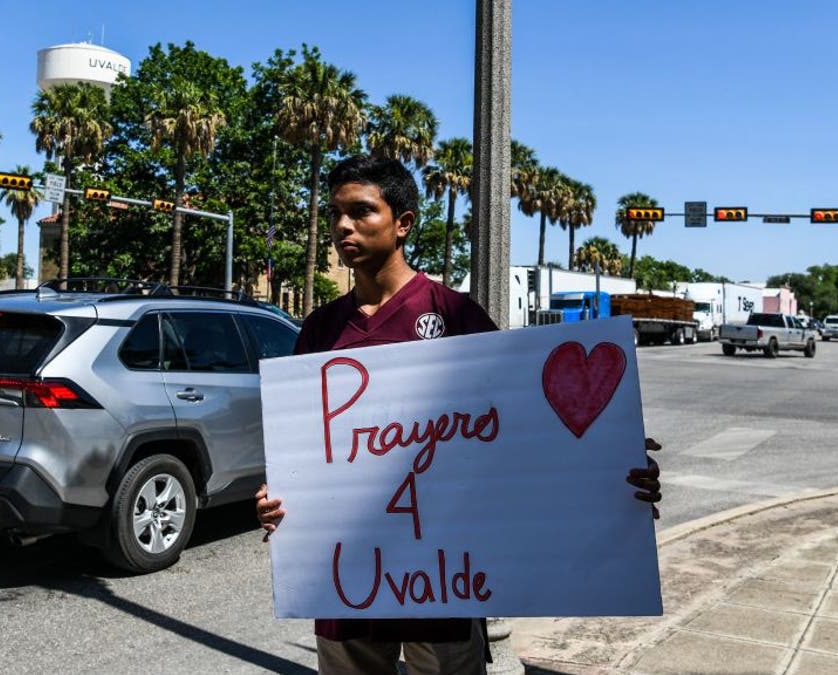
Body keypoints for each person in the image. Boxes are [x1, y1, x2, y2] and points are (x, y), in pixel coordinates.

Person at [254, 154, 662, 675]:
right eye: (334, 213)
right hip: (346, 585)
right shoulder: (318, 330)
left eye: (360, 211)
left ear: (403, 223)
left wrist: (611, 464)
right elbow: (305, 451)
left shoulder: (454, 314)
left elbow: (525, 424)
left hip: (442, 581)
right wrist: (274, 499)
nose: (341, 226)